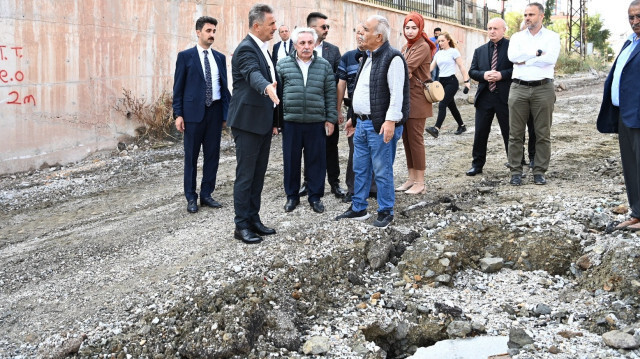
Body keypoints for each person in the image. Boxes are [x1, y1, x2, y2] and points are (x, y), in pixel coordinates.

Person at [335, 15, 409, 229]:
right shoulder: (367, 56)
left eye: (365, 30)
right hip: (362, 124)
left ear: (378, 36)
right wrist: (354, 118)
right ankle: (359, 208)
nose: (361, 33)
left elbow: (397, 95)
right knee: (360, 167)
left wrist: (390, 122)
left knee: (382, 170)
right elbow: (361, 90)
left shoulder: (393, 58)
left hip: (380, 125)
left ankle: (386, 210)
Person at [226, 4, 279, 244]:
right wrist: (266, 87)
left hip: (262, 122)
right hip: (247, 123)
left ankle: (254, 219)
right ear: (256, 26)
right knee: (246, 176)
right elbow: (252, 74)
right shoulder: (246, 49)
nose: (275, 29)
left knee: (258, 175)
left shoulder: (263, 48)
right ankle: (241, 225)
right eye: (271, 24)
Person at [172, 16, 231, 214]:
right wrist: (178, 114)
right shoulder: (185, 57)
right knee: (191, 157)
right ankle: (191, 197)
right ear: (198, 32)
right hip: (192, 115)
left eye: (214, 31)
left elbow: (224, 87)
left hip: (214, 113)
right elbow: (178, 88)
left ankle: (206, 194)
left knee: (212, 156)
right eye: (208, 31)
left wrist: (225, 114)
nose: (211, 34)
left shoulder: (220, 58)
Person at [276, 27, 337, 214]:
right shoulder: (283, 65)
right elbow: (277, 96)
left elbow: (330, 94)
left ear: (314, 44)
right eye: (302, 43)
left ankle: (315, 196)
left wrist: (331, 119)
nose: (306, 46)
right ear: (295, 45)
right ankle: (292, 197)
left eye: (310, 43)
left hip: (316, 121)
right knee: (291, 161)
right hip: (291, 122)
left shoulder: (324, 65)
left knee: (316, 161)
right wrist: (277, 123)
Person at [597, 0, 640, 230]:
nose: (635, 21)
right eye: (631, 17)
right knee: (632, 166)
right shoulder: (630, 42)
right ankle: (637, 213)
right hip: (626, 114)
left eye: (639, 16)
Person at [506, 2, 560, 186]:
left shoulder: (553, 37)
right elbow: (513, 57)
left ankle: (539, 171)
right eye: (526, 15)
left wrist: (525, 60)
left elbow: (550, 59)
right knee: (515, 133)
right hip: (518, 88)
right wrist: (536, 54)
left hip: (543, 88)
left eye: (531, 14)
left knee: (542, 132)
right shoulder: (517, 37)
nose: (527, 18)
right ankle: (515, 172)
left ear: (541, 16)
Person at [301, 12, 346, 199]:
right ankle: (308, 182)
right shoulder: (298, 50)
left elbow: (338, 83)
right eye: (323, 27)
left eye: (327, 27)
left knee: (331, 146)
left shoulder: (333, 51)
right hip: (307, 110)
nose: (327, 30)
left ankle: (334, 182)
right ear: (312, 29)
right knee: (307, 147)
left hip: (327, 108)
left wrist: (337, 110)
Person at [466, 17, 512, 176]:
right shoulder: (480, 51)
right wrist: (484, 75)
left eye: (495, 28)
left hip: (505, 97)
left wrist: (502, 75)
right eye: (489, 28)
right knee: (480, 133)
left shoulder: (512, 47)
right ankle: (477, 165)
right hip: (485, 97)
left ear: (504, 30)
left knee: (509, 132)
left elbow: (518, 70)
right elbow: (472, 71)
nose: (492, 31)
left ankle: (515, 163)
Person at [396, 12, 437, 194]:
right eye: (407, 28)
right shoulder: (407, 46)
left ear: (420, 28)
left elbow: (404, 68)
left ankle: (420, 182)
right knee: (406, 140)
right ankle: (411, 179)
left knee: (415, 140)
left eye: (414, 28)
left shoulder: (423, 46)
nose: (410, 31)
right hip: (406, 98)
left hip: (418, 99)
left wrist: (405, 71)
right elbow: (402, 69)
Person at [337, 23, 377, 203]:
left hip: (376, 112)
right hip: (354, 112)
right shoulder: (347, 57)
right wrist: (338, 109)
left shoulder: (379, 57)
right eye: (358, 33)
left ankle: (373, 188)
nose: (361, 36)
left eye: (364, 33)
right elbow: (341, 84)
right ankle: (352, 189)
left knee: (375, 150)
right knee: (355, 151)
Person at [425, 32, 470, 138]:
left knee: (442, 104)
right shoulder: (438, 53)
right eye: (439, 41)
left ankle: (436, 129)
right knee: (452, 106)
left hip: (452, 82)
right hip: (441, 82)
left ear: (448, 40)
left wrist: (466, 81)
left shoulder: (453, 52)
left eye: (442, 41)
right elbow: (431, 67)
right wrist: (423, 76)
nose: (440, 43)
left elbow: (461, 66)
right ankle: (462, 126)